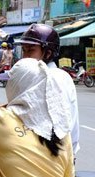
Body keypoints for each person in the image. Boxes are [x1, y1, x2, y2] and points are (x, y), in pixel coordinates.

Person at [15, 23, 79, 154]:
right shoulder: (38, 77)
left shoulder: (54, 79)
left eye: (31, 50)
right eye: (24, 50)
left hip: (54, 157)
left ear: (48, 53)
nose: (25, 56)